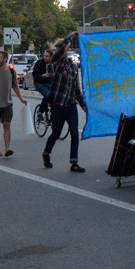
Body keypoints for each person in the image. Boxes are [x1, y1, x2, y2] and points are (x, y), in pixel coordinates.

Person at [42, 32, 87, 172]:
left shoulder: (73, 66)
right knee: (56, 134)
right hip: (58, 105)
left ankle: (74, 162)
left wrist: (82, 104)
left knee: (75, 133)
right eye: (66, 47)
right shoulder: (56, 62)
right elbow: (60, 47)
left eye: (68, 48)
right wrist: (71, 36)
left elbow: (76, 88)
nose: (67, 49)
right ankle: (46, 153)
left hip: (70, 105)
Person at [0, 50, 27, 157]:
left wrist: (21, 98)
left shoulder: (11, 72)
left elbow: (15, 86)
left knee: (6, 124)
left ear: (5, 59)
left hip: (7, 104)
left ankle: (7, 148)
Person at [31, 49, 54, 113]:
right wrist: (42, 76)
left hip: (49, 82)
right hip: (39, 83)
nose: (45, 58)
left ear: (51, 57)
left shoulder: (54, 63)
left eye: (47, 56)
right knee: (47, 95)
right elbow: (34, 75)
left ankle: (52, 110)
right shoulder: (39, 63)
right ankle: (40, 111)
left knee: (55, 95)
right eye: (44, 56)